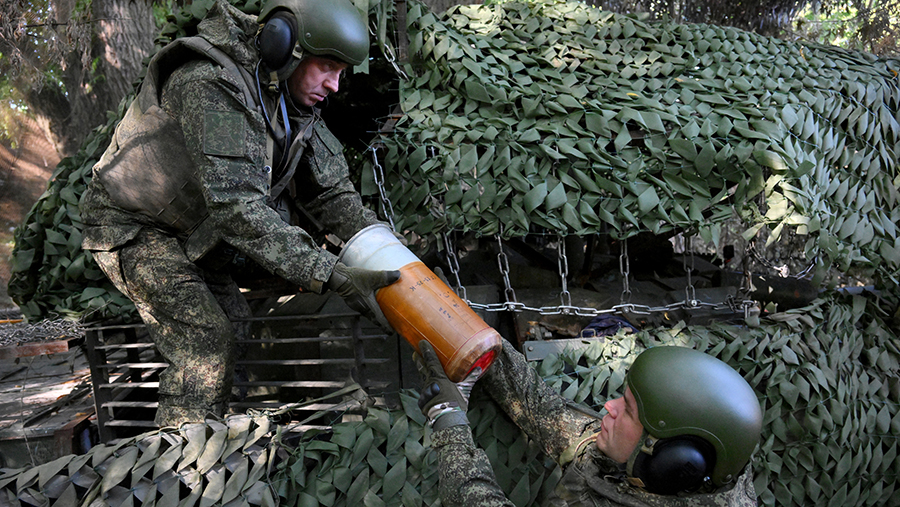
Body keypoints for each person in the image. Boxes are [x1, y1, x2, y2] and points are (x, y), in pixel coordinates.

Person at [80, 0, 400, 427]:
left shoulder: (289, 100)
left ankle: (215, 433)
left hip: (195, 233)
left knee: (235, 324)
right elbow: (236, 206)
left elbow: (332, 196)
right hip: (133, 227)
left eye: (341, 72)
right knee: (205, 342)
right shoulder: (211, 86)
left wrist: (393, 255)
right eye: (327, 67)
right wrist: (330, 273)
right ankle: (180, 459)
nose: (334, 85)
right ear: (283, 46)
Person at [416, 339, 763, 506]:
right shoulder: (648, 471)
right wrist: (468, 336)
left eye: (628, 411)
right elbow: (546, 413)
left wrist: (449, 423)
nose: (609, 407)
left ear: (672, 461)